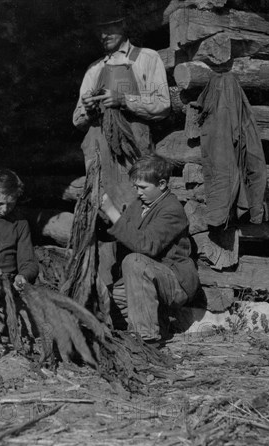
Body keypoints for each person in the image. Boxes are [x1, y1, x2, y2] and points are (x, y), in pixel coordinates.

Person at [72, 9, 171, 287]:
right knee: (103, 216)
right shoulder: (94, 69)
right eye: (99, 30)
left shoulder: (146, 58)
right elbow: (77, 119)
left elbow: (162, 105)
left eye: (110, 28)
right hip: (101, 157)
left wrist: (123, 99)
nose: (103, 35)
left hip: (133, 156)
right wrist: (89, 110)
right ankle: (105, 287)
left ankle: (139, 282)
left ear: (124, 25)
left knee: (136, 214)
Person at [100, 156, 199, 344]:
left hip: (175, 279)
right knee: (114, 299)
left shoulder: (172, 209)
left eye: (143, 187)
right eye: (135, 187)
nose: (138, 193)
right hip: (150, 276)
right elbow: (124, 232)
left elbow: (147, 245)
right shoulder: (140, 205)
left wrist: (113, 212)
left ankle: (145, 339)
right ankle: (156, 323)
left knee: (134, 261)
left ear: (162, 184)